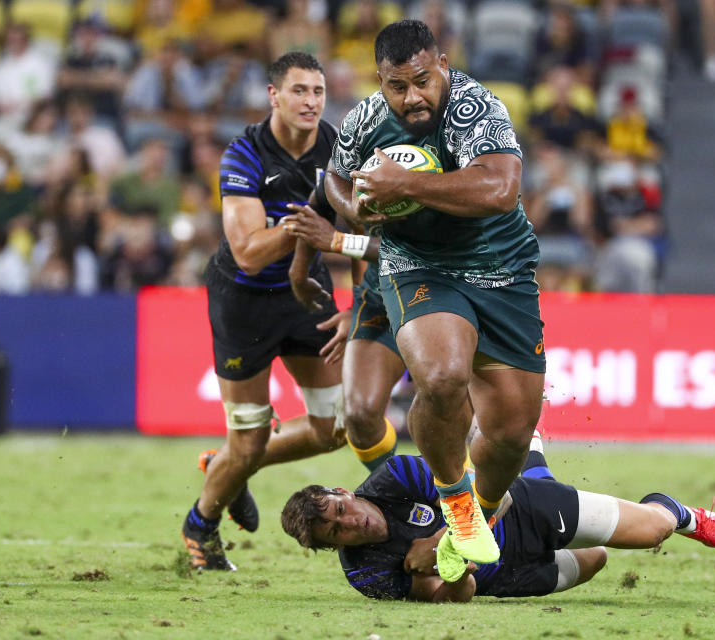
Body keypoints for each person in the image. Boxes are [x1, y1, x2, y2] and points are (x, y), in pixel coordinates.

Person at [324, 20, 545, 571]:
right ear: (382, 81)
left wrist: (407, 185)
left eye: (422, 80)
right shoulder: (366, 120)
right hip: (418, 264)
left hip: (502, 268)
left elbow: (500, 189)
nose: (411, 97)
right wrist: (352, 208)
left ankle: (480, 516)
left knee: (512, 433)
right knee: (442, 376)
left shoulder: (476, 108)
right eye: (397, 86)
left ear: (442, 63)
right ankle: (457, 503)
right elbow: (334, 176)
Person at [180, 52, 349, 571]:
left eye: (318, 92)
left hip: (307, 294)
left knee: (333, 428)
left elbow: (366, 226)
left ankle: (224, 466)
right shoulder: (245, 154)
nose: (311, 102)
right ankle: (200, 525)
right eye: (299, 91)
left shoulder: (338, 147)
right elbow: (249, 253)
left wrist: (360, 299)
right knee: (249, 442)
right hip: (244, 306)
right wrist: (308, 227)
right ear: (273, 95)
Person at [281, 438, 715, 602]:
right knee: (597, 559)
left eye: (341, 511)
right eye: (337, 533)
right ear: (334, 546)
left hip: (524, 511)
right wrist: (453, 570)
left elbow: (490, 499)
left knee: (651, 532)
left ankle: (679, 511)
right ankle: (535, 457)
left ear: (342, 493)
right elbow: (456, 596)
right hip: (511, 579)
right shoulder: (364, 572)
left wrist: (443, 545)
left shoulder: (394, 477)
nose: (350, 525)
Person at [283, 201, 404, 472]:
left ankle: (469, 508)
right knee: (358, 415)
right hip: (382, 299)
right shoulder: (348, 165)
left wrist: (338, 241)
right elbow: (347, 214)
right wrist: (355, 304)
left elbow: (423, 252)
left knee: (442, 392)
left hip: (454, 287)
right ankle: (408, 493)